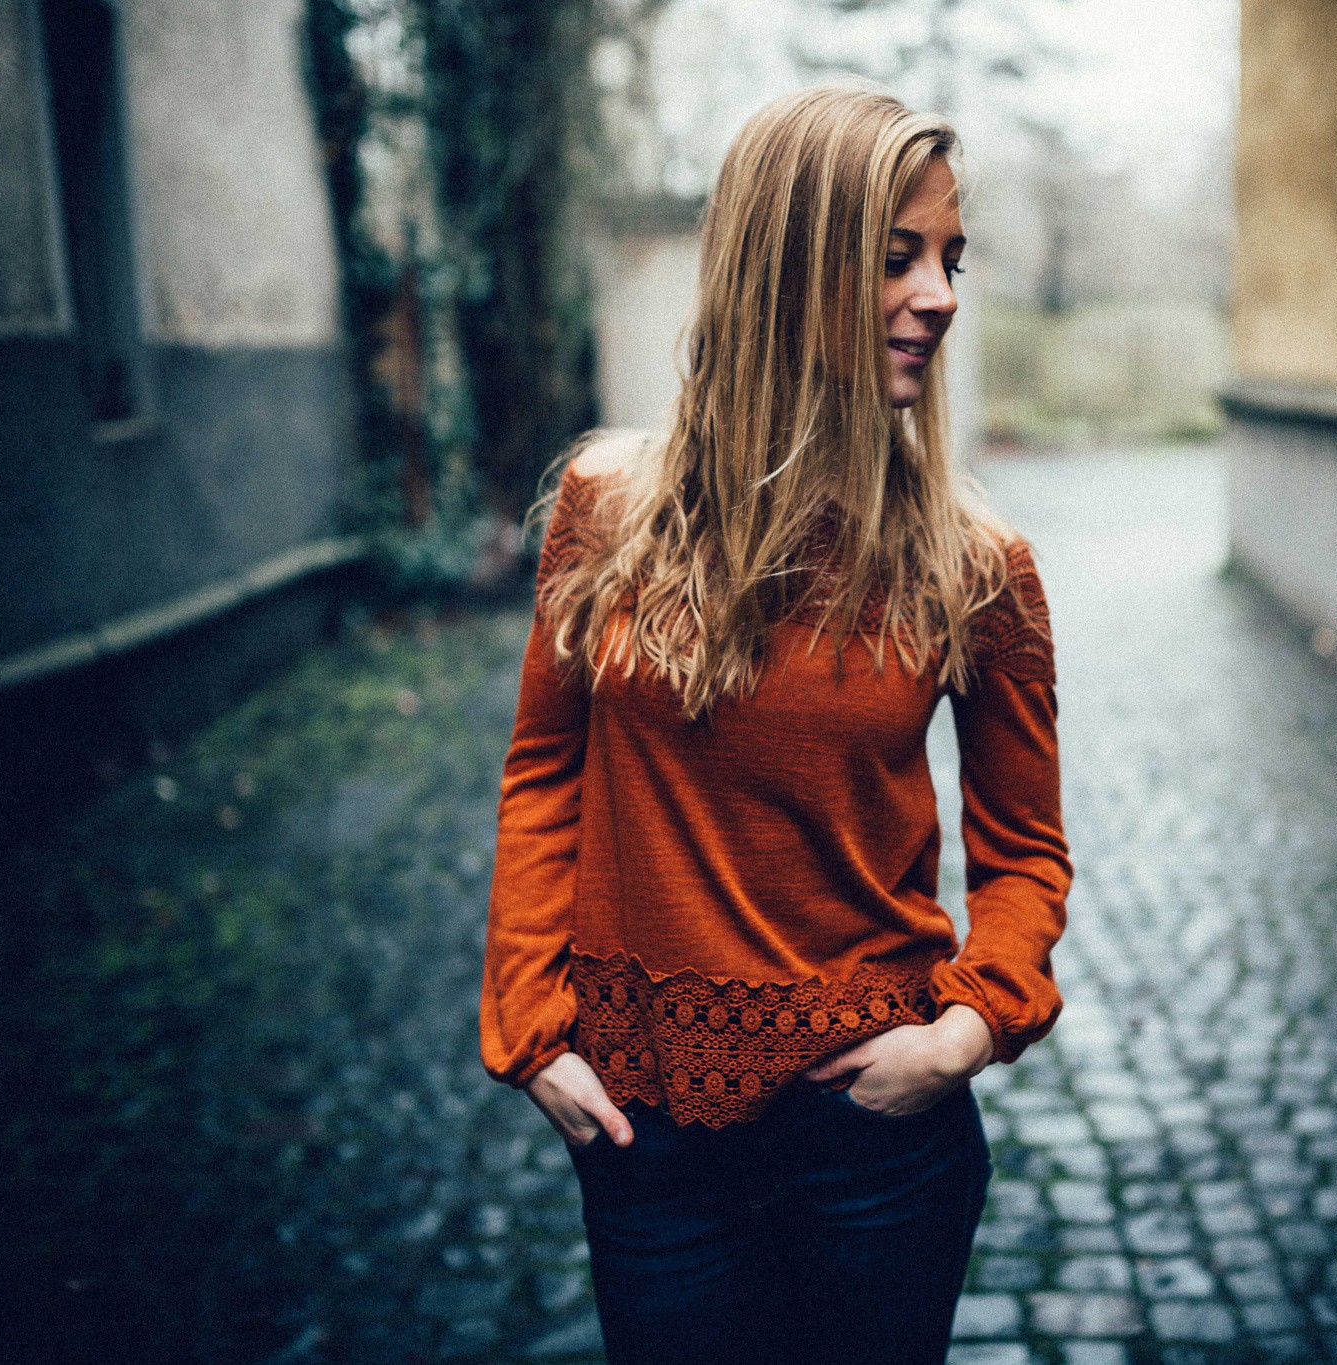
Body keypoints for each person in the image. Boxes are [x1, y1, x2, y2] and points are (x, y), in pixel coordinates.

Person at [480, 83, 1071, 1365]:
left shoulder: (974, 564)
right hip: (648, 1144)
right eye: (896, 256)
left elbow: (1025, 857)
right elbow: (545, 770)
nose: (941, 295)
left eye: (951, 260)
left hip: (875, 1148)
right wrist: (527, 1028)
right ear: (785, 266)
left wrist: (960, 1037)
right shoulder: (604, 509)